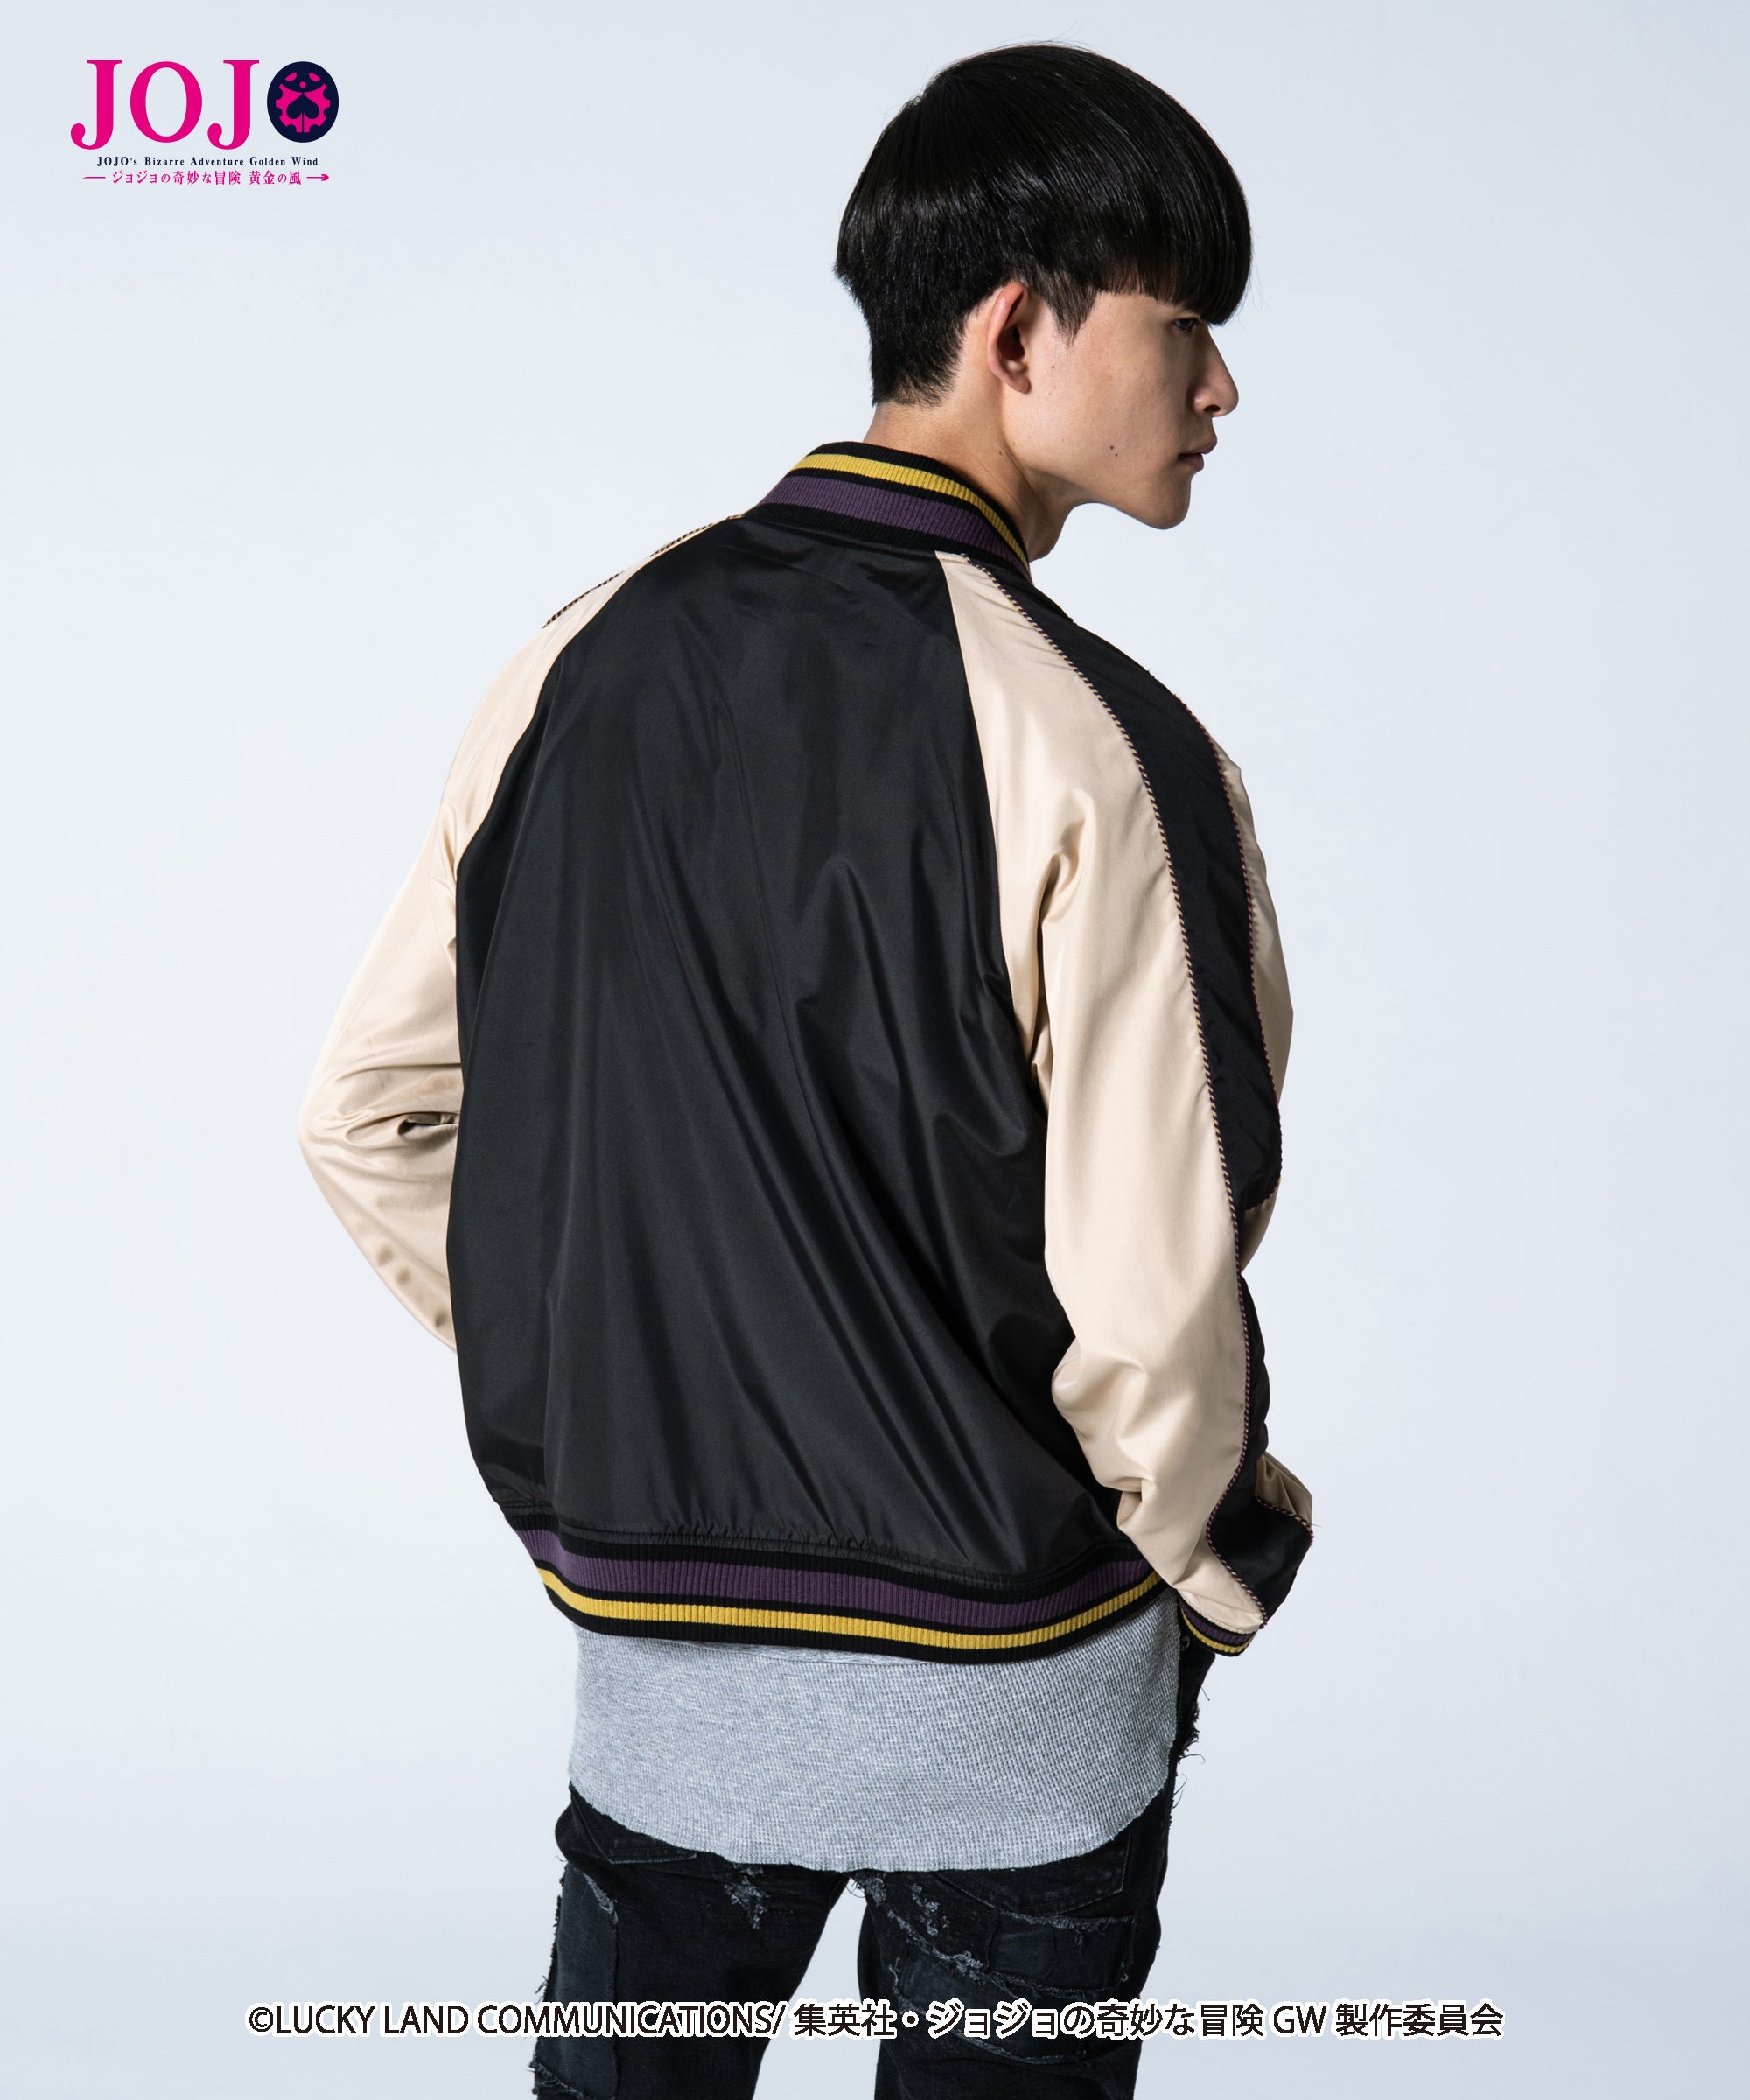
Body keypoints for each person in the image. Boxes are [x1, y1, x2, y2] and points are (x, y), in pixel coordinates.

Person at [298, 41, 1312, 2099]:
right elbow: (1158, 1283)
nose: (1220, 390)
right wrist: (1217, 1572)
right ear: (1018, 332)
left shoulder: (581, 658)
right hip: (1016, 1690)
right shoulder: (1103, 745)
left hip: (657, 1677)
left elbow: (370, 1121)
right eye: (1185, 326)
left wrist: (617, 1414)